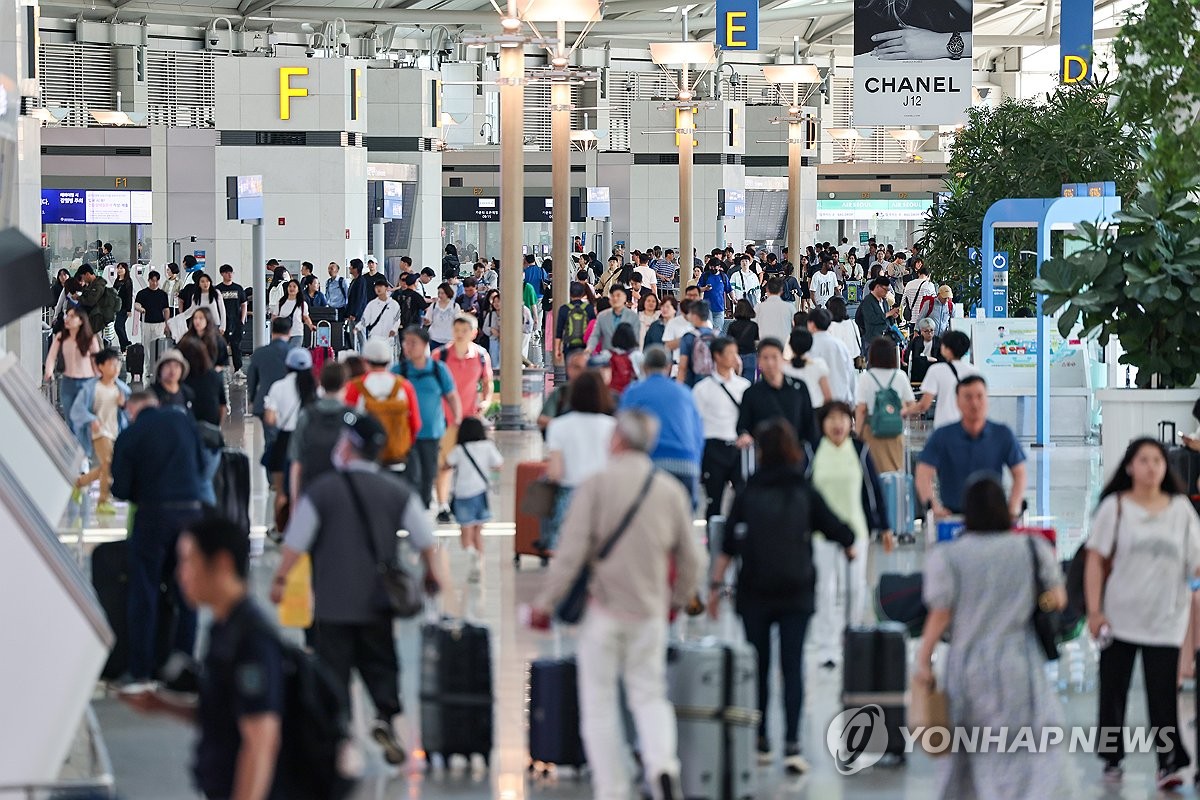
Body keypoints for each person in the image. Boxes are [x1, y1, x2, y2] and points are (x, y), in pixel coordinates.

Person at [531, 409, 702, 800]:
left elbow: (571, 554)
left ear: (618, 441)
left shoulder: (596, 485)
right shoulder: (669, 490)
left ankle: (613, 789)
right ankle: (661, 768)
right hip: (650, 612)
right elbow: (694, 559)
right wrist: (675, 602)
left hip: (603, 613)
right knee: (649, 696)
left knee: (599, 703)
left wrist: (545, 603)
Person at [271, 413, 440, 766]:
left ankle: (341, 732)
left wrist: (280, 579)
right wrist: (432, 574)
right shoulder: (396, 491)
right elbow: (426, 539)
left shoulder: (323, 491)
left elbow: (296, 542)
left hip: (332, 605)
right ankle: (384, 715)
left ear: (349, 447)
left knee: (334, 671)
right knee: (381, 662)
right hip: (377, 602)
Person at [708, 418, 856, 774]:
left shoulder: (748, 491)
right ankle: (792, 743)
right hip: (796, 591)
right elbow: (838, 529)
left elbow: (727, 545)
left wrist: (714, 588)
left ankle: (760, 739)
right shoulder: (802, 489)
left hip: (755, 591)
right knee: (792, 667)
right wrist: (849, 543)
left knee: (758, 666)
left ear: (760, 453)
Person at [912, 477, 1065, 798]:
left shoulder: (949, 556)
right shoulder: (1030, 548)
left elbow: (941, 613)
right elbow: (1057, 597)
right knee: (1019, 752)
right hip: (1018, 663)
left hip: (967, 665)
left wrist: (923, 658)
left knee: (967, 753)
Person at [121, 515, 285, 800]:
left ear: (221, 563)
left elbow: (260, 741)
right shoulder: (225, 627)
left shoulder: (251, 640)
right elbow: (227, 713)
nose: (180, 574)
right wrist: (163, 706)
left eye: (188, 561)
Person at [1083, 438, 1200, 789]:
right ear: (1130, 466)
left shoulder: (1181, 510)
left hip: (1166, 618)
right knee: (1113, 691)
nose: (1151, 466)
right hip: (1119, 617)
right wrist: (1094, 611)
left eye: (1157, 460)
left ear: (1166, 468)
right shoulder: (1115, 507)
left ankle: (1168, 763)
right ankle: (1111, 757)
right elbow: (1094, 561)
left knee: (1163, 693)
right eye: (1143, 460)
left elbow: (1195, 562)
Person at [111, 390, 206, 685]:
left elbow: (121, 489)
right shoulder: (185, 423)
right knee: (186, 590)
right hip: (191, 514)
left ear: (132, 409)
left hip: (153, 515)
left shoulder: (131, 433)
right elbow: (202, 468)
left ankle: (142, 669)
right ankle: (182, 663)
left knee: (145, 589)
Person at [806, 401, 891, 669]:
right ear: (822, 424)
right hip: (820, 536)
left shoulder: (860, 450)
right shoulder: (813, 452)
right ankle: (826, 647)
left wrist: (885, 526)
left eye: (843, 418)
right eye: (831, 418)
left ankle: (851, 639)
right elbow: (802, 493)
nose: (838, 424)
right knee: (823, 591)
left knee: (854, 589)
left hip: (856, 532)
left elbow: (874, 490)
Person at [917, 375, 1028, 518]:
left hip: (993, 516)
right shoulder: (942, 436)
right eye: (968, 397)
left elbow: (1019, 473)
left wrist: (1013, 506)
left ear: (987, 399)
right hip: (954, 516)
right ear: (957, 401)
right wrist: (934, 507)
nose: (974, 403)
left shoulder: (1002, 434)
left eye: (980, 396)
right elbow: (923, 473)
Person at [619, 345, 705, 505]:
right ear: (668, 367)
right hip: (686, 465)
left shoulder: (633, 392)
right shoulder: (685, 393)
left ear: (644, 367)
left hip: (649, 464)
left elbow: (623, 431)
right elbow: (698, 434)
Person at [542, 371, 618, 550]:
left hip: (569, 497)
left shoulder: (558, 426)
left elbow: (555, 473)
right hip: (603, 497)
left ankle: (545, 543)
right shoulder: (613, 426)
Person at [395, 327, 462, 508]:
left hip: (432, 433)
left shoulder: (438, 370)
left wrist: (457, 418)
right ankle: (411, 512)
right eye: (405, 342)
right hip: (406, 434)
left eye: (413, 343)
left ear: (425, 345)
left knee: (429, 474)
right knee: (412, 475)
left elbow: (451, 395)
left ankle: (423, 511)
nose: (407, 347)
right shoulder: (398, 371)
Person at [692, 337, 750, 521]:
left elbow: (751, 418)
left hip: (739, 449)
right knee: (713, 501)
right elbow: (695, 424)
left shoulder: (744, 387)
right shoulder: (702, 389)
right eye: (730, 353)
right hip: (713, 448)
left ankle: (738, 543)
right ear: (717, 356)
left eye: (736, 352)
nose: (735, 357)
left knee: (743, 499)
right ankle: (713, 545)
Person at [70, 348, 130, 514]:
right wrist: (91, 420)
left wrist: (123, 405)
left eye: (117, 365)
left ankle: (79, 483)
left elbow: (130, 413)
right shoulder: (91, 388)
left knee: (107, 466)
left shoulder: (122, 390)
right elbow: (78, 409)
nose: (116, 368)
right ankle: (103, 502)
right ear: (101, 367)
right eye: (111, 365)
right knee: (108, 464)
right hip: (99, 433)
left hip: (117, 432)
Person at [444, 417, 503, 582]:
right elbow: (499, 464)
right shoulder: (487, 446)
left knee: (466, 533)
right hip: (481, 494)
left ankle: (471, 558)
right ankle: (480, 564)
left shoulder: (459, 449)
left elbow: (446, 464)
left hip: (463, 495)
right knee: (478, 533)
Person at [287, 361, 351, 511]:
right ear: (345, 383)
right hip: (345, 491)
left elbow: (296, 463)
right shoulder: (353, 416)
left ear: (320, 382)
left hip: (312, 489)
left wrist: (295, 502)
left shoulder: (306, 416)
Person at [737, 337, 818, 449]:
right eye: (765, 358)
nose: (770, 363)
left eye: (775, 357)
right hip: (763, 457)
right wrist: (744, 435)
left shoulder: (799, 387)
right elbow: (743, 426)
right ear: (759, 361)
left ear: (782, 359)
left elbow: (810, 424)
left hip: (796, 455)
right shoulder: (751, 393)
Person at [853, 337, 917, 472]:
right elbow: (912, 406)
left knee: (873, 471)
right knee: (895, 470)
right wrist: (899, 413)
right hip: (895, 431)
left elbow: (861, 410)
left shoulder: (866, 377)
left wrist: (858, 433)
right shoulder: (900, 376)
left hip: (872, 430)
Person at [177, 337, 227, 504]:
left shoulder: (178, 382)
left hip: (184, 438)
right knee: (205, 483)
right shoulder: (214, 377)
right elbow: (222, 408)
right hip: (210, 438)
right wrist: (215, 427)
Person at [45, 306, 100, 435]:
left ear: (81, 321)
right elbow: (51, 356)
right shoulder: (61, 337)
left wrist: (100, 381)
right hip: (68, 382)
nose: (67, 319)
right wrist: (49, 371)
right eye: (67, 316)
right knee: (70, 418)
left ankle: (85, 448)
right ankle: (75, 448)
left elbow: (96, 361)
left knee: (83, 417)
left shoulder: (90, 339)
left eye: (71, 316)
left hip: (87, 383)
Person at [247, 318, 295, 421]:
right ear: (290, 332)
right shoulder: (294, 353)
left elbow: (251, 379)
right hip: (290, 404)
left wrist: (253, 399)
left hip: (264, 403)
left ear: (272, 331)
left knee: (269, 435)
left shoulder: (260, 353)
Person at [806, 307, 855, 404]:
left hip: (816, 402)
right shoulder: (841, 346)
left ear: (811, 324)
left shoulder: (808, 346)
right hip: (841, 400)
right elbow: (850, 374)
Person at [538, 349, 589, 431]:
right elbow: (542, 419)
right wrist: (565, 427)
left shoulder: (599, 391)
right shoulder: (561, 392)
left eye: (586, 368)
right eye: (577, 367)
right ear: (569, 369)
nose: (582, 372)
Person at [587, 284, 640, 353]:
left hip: (626, 356)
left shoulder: (633, 317)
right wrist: (589, 350)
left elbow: (636, 340)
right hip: (607, 356)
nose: (615, 298)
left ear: (624, 297)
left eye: (618, 295)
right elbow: (595, 336)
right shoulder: (602, 316)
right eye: (612, 296)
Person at [677, 300, 717, 387]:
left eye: (690, 313)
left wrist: (679, 388)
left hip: (693, 384)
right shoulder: (718, 336)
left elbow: (682, 367)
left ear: (695, 316)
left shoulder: (688, 337)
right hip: (715, 385)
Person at [217, 265, 247, 375]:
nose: (229, 275)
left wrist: (242, 320)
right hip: (222, 322)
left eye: (231, 272)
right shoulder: (218, 289)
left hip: (236, 322)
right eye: (226, 273)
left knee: (236, 346)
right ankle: (220, 369)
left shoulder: (238, 288)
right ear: (222, 274)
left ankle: (238, 369)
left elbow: (244, 304)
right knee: (221, 346)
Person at [181, 307, 230, 373]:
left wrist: (214, 371)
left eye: (201, 318)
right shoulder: (187, 337)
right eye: (195, 318)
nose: (197, 321)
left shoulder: (217, 339)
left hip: (211, 374)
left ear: (208, 320)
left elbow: (224, 363)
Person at [860, 277, 900, 355]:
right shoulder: (867, 301)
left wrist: (893, 316)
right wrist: (889, 313)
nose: (886, 292)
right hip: (872, 339)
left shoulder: (884, 301)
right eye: (885, 290)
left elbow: (887, 318)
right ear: (877, 287)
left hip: (885, 338)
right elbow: (872, 319)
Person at [356, 276, 402, 344]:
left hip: (388, 338)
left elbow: (397, 319)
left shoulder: (394, 304)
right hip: (374, 337)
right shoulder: (371, 304)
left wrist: (394, 329)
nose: (378, 289)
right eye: (376, 287)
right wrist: (358, 327)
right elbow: (365, 319)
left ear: (386, 288)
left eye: (380, 286)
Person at [725, 299, 760, 380]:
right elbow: (756, 342)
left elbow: (728, 341)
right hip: (750, 355)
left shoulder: (732, 325)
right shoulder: (754, 325)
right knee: (748, 382)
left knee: (735, 381)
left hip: (735, 356)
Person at [274, 279, 314, 347]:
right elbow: (274, 316)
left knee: (293, 352)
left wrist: (310, 325)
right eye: (290, 286)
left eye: (294, 286)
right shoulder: (281, 302)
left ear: (298, 289)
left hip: (297, 333)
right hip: (282, 334)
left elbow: (305, 317)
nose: (291, 288)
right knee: (283, 354)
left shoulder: (302, 304)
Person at [904, 317, 942, 386]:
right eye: (926, 331)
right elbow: (911, 358)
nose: (929, 333)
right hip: (919, 371)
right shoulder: (915, 341)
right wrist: (927, 359)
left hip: (934, 370)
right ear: (921, 331)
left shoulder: (938, 341)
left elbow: (942, 359)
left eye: (932, 330)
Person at [697, 260, 732, 330]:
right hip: (707, 308)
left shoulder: (723, 276)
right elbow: (698, 289)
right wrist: (705, 288)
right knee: (707, 330)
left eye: (715, 267)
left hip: (720, 308)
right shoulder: (705, 275)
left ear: (719, 267)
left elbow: (729, 289)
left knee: (717, 331)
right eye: (711, 267)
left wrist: (733, 299)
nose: (713, 268)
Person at [424, 283, 459, 351]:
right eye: (439, 293)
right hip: (434, 338)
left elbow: (458, 321)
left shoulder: (455, 306)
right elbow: (428, 320)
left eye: (442, 293)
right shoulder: (434, 305)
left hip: (450, 338)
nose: (440, 295)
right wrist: (426, 321)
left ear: (448, 293)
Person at [900, 265, 936, 330]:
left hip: (911, 318)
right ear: (929, 275)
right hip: (924, 319)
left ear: (919, 274)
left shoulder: (909, 284)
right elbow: (934, 303)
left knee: (913, 339)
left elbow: (903, 302)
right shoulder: (930, 285)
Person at [111, 263, 133, 352]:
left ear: (125, 270)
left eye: (121, 268)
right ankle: (124, 348)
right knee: (121, 327)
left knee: (118, 326)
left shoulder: (128, 281)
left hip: (124, 308)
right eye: (118, 268)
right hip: (117, 307)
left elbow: (129, 295)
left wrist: (129, 309)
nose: (119, 270)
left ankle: (127, 343)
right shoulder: (117, 280)